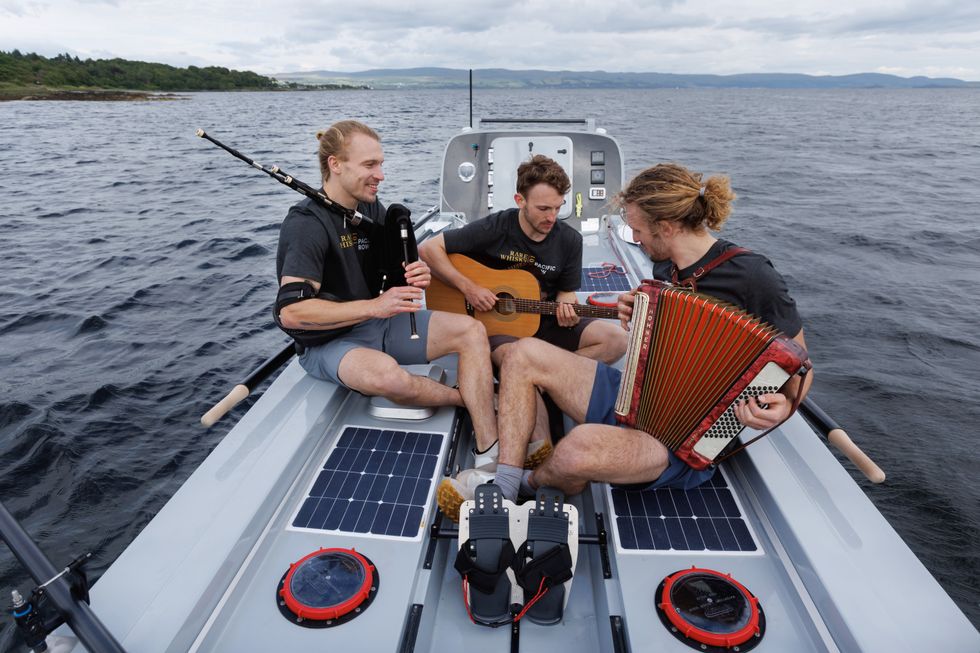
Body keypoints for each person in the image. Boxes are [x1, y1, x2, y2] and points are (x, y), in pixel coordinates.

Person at [438, 162, 812, 516]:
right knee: (522, 354)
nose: (633, 239)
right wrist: (643, 313)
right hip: (637, 396)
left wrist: (783, 404)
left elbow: (798, 365)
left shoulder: (752, 275)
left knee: (575, 450)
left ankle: (531, 482)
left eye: (638, 230)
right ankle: (503, 483)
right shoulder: (666, 267)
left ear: (665, 227)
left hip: (680, 440)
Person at [275, 120, 497, 449]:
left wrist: (415, 270)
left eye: (381, 164)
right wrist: (375, 306)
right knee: (387, 377)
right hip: (329, 342)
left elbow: (393, 263)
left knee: (472, 331)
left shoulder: (368, 208)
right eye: (370, 165)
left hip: (378, 323)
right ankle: (466, 400)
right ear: (335, 165)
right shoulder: (306, 224)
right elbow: (291, 313)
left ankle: (488, 448)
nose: (381, 175)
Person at [420, 155, 626, 471]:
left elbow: (567, 292)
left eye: (557, 208)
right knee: (520, 358)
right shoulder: (495, 227)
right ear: (520, 200)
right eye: (543, 209)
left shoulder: (568, 239)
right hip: (496, 328)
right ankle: (539, 420)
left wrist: (567, 306)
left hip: (541, 320)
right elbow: (428, 249)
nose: (552, 217)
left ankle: (543, 381)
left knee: (616, 339)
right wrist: (469, 288)